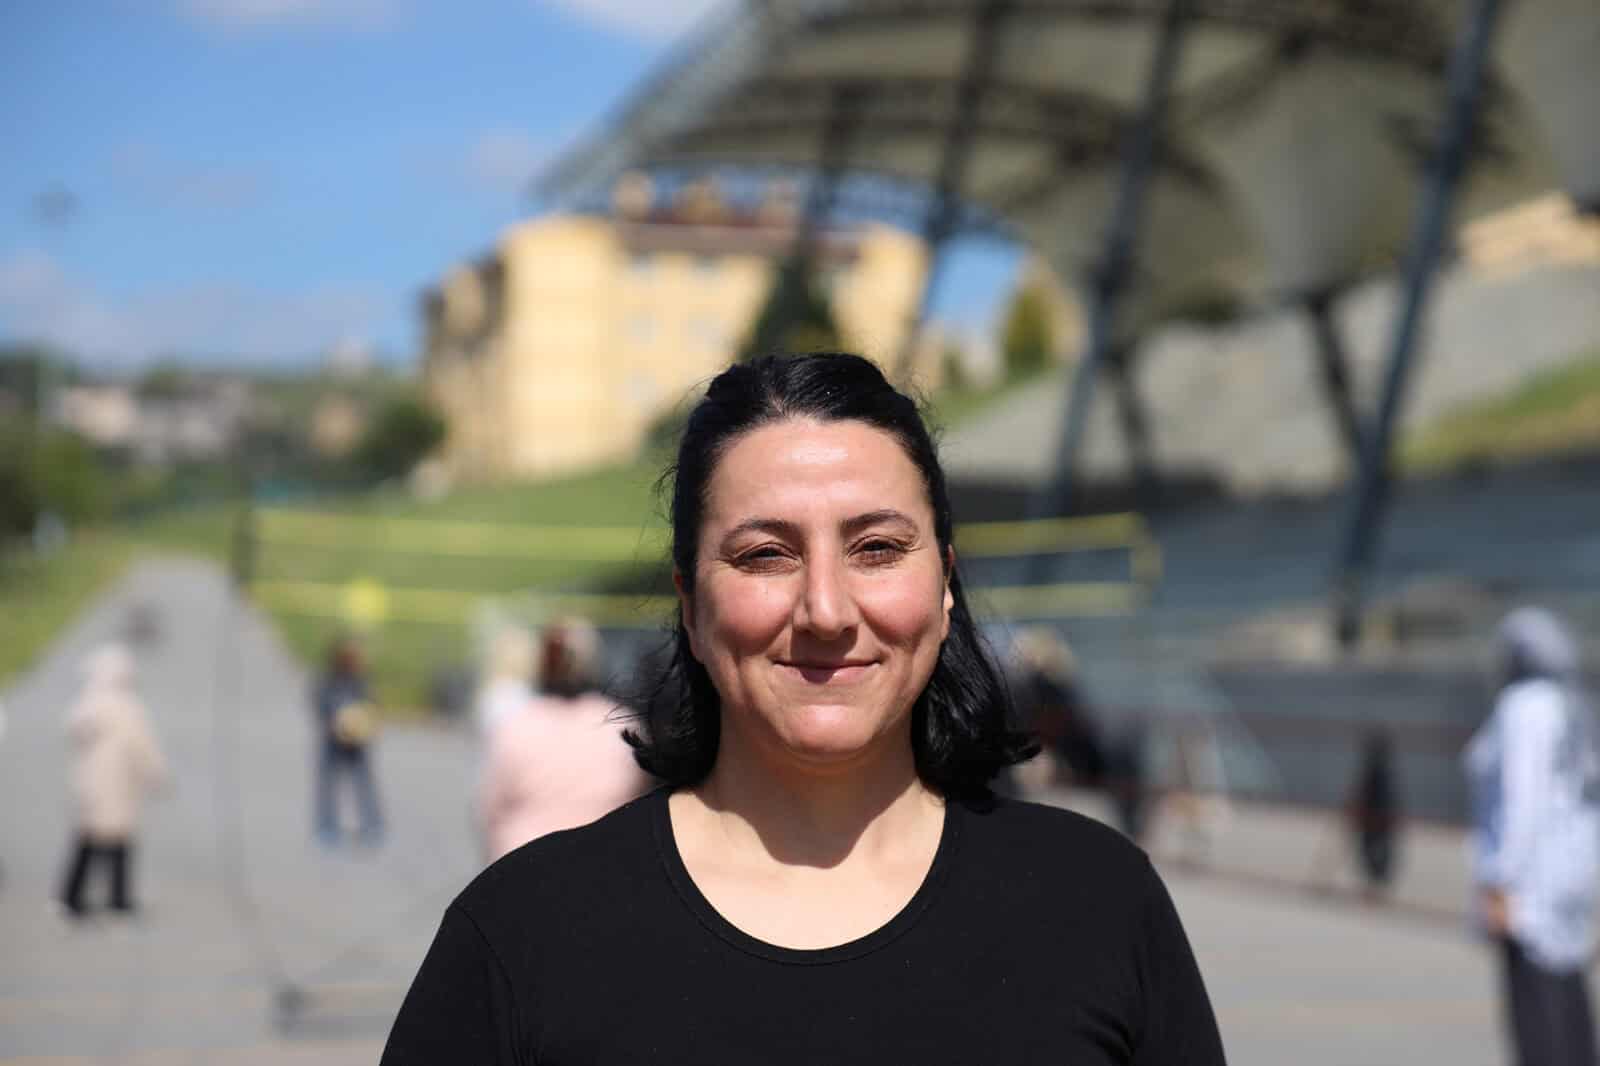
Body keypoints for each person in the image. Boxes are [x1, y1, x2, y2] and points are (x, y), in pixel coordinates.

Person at [382, 353, 1225, 1065]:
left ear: (944, 586)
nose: (826, 609)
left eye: (877, 548)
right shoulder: (522, 934)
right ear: (690, 605)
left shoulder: (1098, 905)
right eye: (765, 555)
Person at [1466, 607, 1600, 1066]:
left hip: (1530, 883)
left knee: (1534, 1011)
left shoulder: (1524, 707)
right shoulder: (1570, 706)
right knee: (1568, 998)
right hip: (1568, 877)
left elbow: (1521, 800)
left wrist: (1500, 879)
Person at [479, 617, 653, 861]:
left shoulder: (517, 725)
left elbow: (491, 808)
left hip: (525, 861)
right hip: (604, 860)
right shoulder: (622, 726)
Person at [58, 643, 168, 918]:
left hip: (89, 785)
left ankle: (71, 897)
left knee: (88, 839)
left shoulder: (86, 704)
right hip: (119, 784)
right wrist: (157, 774)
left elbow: (73, 733)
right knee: (119, 842)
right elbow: (142, 746)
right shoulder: (128, 707)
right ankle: (118, 899)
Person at [311, 636, 383, 847]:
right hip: (333, 742)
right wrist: (336, 722)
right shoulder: (328, 681)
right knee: (328, 786)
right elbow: (320, 705)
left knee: (364, 786)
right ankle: (327, 828)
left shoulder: (361, 681)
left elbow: (372, 707)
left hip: (357, 743)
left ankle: (372, 825)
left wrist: (366, 724)